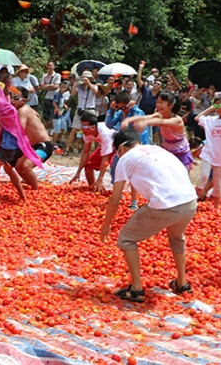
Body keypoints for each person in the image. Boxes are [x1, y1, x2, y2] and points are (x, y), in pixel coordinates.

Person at [100, 128, 198, 303]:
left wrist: (107, 224)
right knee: (176, 237)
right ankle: (182, 283)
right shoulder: (158, 150)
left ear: (120, 148)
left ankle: (136, 289)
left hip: (165, 205)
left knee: (126, 239)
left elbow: (115, 198)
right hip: (190, 202)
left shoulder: (125, 158)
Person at [0, 85, 42, 203]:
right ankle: (23, 197)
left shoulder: (2, 108)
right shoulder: (5, 107)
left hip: (10, 147)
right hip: (18, 147)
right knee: (8, 168)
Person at [126, 91, 194, 171]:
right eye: (157, 102)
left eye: (161, 102)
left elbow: (161, 122)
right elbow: (146, 117)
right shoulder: (159, 114)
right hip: (167, 151)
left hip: (181, 153)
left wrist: (145, 123)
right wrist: (128, 120)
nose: (158, 105)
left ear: (171, 105)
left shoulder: (177, 120)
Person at [194, 97, 221, 208]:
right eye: (216, 106)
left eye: (220, 106)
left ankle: (216, 206)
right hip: (208, 152)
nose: (218, 109)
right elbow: (197, 118)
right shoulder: (211, 120)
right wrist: (211, 108)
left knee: (218, 182)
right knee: (203, 176)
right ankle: (195, 201)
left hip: (220, 154)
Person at [12, 86, 53, 190]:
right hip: (33, 146)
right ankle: (28, 181)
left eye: (16, 98)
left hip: (43, 146)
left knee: (26, 166)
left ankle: (35, 190)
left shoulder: (23, 110)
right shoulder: (27, 110)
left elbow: (20, 129)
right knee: (18, 166)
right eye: (11, 97)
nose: (12, 101)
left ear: (25, 100)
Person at [69, 111, 117, 193]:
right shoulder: (86, 133)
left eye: (84, 126)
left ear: (93, 127)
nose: (81, 129)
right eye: (81, 125)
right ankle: (93, 188)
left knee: (117, 170)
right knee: (88, 165)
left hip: (117, 147)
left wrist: (100, 179)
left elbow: (105, 160)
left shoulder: (105, 134)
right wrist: (78, 172)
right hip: (104, 147)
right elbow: (85, 152)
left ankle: (117, 193)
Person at [65, 70, 98, 155]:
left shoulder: (94, 86)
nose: (85, 80)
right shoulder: (79, 87)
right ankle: (67, 149)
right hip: (80, 109)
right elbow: (72, 94)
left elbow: (96, 92)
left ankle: (90, 150)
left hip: (90, 109)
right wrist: (76, 82)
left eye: (87, 78)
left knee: (91, 130)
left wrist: (89, 84)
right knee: (74, 129)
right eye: (84, 78)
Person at [40, 61, 61, 128]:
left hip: (54, 98)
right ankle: (46, 131)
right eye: (48, 65)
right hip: (47, 98)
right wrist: (51, 85)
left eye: (51, 65)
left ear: (54, 66)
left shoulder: (57, 75)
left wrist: (47, 86)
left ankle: (52, 131)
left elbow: (56, 87)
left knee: (53, 116)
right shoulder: (44, 76)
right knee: (46, 117)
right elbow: (42, 87)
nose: (50, 67)